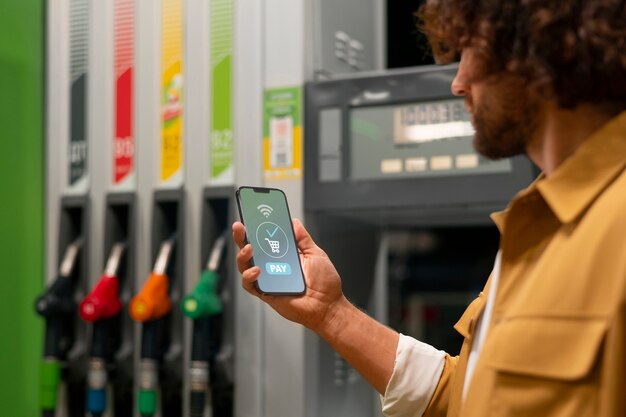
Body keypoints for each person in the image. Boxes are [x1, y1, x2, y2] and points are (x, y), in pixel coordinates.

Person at [233, 0, 626, 415]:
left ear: (539, 48)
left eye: (471, 51)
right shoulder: (538, 222)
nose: (458, 82)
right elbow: (466, 397)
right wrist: (331, 314)